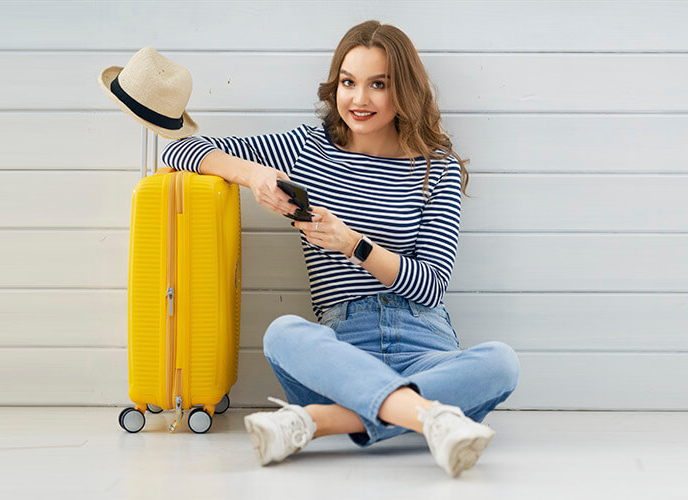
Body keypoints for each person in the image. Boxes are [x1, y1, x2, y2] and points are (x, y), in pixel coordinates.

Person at [160, 20, 519, 478]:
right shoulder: (307, 148)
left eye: (378, 84)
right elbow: (182, 150)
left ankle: (318, 421)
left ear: (404, 90)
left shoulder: (437, 167)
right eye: (349, 82)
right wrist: (255, 175)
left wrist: (353, 244)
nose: (359, 99)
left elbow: (430, 286)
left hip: (426, 346)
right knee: (284, 333)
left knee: (501, 363)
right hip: (342, 349)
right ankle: (429, 415)